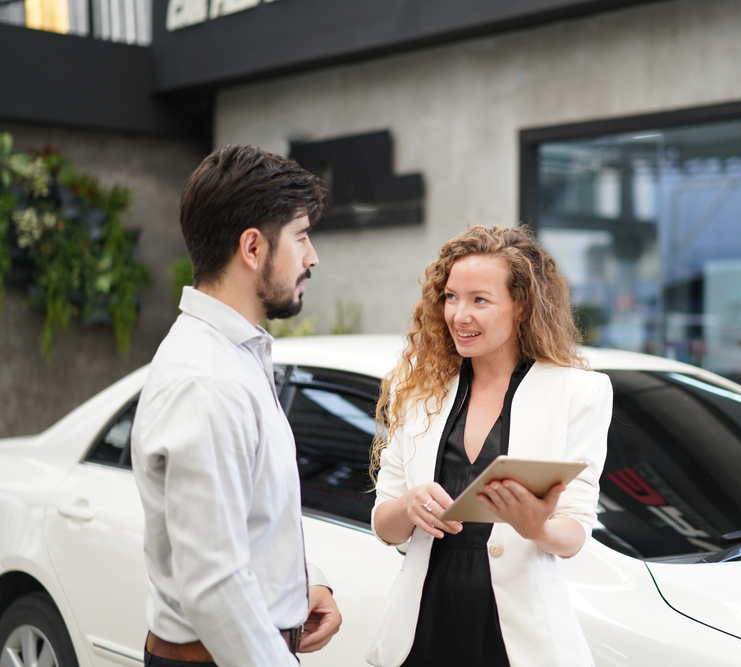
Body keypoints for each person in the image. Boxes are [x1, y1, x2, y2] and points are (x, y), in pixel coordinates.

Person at [131, 145, 342, 667]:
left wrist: (300, 587)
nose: (312, 258)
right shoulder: (208, 379)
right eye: (301, 237)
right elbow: (213, 582)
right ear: (252, 247)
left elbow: (244, 522)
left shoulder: (234, 354)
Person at [367, 225, 613, 667]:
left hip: (517, 639)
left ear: (521, 306)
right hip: (422, 627)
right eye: (451, 297)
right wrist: (408, 507)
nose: (460, 314)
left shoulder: (579, 393)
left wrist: (536, 526)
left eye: (480, 300)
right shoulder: (417, 391)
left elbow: (575, 529)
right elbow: (385, 528)